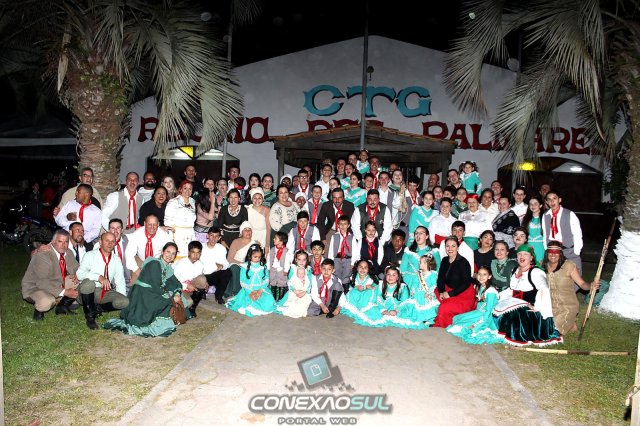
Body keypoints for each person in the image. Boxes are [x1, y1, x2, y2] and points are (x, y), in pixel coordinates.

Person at [104, 242, 185, 337]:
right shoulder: (155, 263)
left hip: (152, 292)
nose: (170, 255)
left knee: (176, 297)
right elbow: (155, 286)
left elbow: (176, 283)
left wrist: (177, 293)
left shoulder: (168, 268)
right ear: (162, 252)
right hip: (142, 294)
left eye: (173, 253)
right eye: (168, 252)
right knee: (166, 300)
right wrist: (171, 297)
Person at [493, 244, 562, 346]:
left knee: (515, 314)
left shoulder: (536, 272)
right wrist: (498, 296)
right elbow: (512, 289)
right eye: (519, 254)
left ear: (531, 257)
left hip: (531, 307)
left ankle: (518, 336)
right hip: (514, 302)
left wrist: (538, 306)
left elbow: (544, 290)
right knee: (495, 308)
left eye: (525, 254)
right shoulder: (515, 270)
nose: (522, 256)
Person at [21, 230, 80, 320]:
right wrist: (65, 292)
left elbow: (77, 268)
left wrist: (78, 275)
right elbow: (41, 282)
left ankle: (62, 306)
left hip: (55, 283)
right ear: (52, 242)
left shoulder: (68, 252)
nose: (63, 245)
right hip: (35, 287)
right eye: (60, 241)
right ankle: (39, 311)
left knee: (77, 279)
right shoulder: (43, 255)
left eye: (66, 242)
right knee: (47, 302)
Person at [543, 240, 599, 334]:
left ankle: (568, 320)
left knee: (551, 332)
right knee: (538, 327)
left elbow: (582, 284)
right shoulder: (542, 266)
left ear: (560, 253)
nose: (553, 255)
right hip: (549, 307)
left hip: (567, 307)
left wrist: (591, 286)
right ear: (547, 253)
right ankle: (570, 324)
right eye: (550, 252)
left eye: (556, 252)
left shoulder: (569, 265)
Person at [76, 232, 130, 329]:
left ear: (115, 244)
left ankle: (97, 308)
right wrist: (98, 277)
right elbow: (79, 274)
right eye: (107, 241)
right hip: (86, 291)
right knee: (89, 283)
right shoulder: (90, 255)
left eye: (112, 241)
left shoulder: (116, 259)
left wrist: (122, 297)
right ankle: (90, 317)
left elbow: (120, 280)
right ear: (100, 242)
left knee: (124, 302)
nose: (110, 244)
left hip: (103, 291)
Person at [447, 266, 504, 344]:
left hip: (486, 316)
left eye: (484, 274)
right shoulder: (480, 287)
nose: (481, 277)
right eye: (479, 274)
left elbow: (488, 311)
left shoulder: (491, 291)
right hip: (479, 312)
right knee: (457, 318)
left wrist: (477, 325)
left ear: (489, 276)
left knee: (466, 326)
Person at [432, 237, 476, 328]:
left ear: (458, 248)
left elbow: (466, 283)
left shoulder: (463, 262)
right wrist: (441, 291)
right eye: (447, 246)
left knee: (444, 307)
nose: (450, 249)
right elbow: (440, 278)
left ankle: (446, 321)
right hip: (447, 289)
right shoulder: (444, 260)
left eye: (453, 246)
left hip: (463, 293)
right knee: (432, 297)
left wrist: (450, 294)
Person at [226, 244, 276, 317]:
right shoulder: (244, 266)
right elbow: (242, 281)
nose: (257, 259)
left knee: (268, 302)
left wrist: (260, 291)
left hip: (261, 289)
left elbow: (266, 279)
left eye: (259, 257)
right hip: (248, 290)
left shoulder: (263, 266)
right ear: (250, 256)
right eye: (255, 257)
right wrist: (250, 292)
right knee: (249, 301)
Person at [542, 190, 583, 273]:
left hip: (569, 250)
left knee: (575, 275)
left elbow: (577, 233)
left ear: (559, 200)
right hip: (553, 251)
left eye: (554, 198)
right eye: (549, 199)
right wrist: (546, 249)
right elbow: (545, 234)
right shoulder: (545, 215)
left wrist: (577, 251)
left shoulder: (569, 214)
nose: (552, 201)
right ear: (546, 202)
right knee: (555, 275)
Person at [125, 214, 172, 284]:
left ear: (158, 224)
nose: (152, 227)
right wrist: (137, 271)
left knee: (158, 284)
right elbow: (129, 254)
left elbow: (172, 249)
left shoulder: (164, 235)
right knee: (135, 284)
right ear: (145, 224)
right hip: (141, 260)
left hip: (158, 262)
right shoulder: (137, 234)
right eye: (149, 224)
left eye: (154, 224)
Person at [398, 253, 439, 327]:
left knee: (427, 306)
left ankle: (427, 319)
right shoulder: (418, 274)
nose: (419, 264)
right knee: (412, 305)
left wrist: (429, 293)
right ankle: (418, 317)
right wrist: (413, 290)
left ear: (427, 264)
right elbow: (415, 284)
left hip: (426, 295)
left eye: (421, 262)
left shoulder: (432, 274)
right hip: (417, 295)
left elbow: (434, 285)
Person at [339, 259, 382, 326]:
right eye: (361, 267)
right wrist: (358, 287)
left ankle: (364, 308)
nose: (362, 269)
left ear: (368, 269)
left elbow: (371, 287)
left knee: (370, 292)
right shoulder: (354, 276)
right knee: (351, 293)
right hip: (357, 291)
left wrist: (365, 287)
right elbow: (355, 286)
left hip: (367, 292)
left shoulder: (370, 278)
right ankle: (356, 307)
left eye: (365, 267)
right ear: (357, 268)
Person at [173, 240, 209, 317]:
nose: (195, 255)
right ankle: (184, 305)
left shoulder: (200, 264)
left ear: (201, 253)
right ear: (188, 252)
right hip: (180, 289)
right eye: (193, 252)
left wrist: (205, 283)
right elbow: (174, 281)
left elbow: (200, 277)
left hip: (192, 288)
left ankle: (193, 308)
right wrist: (186, 286)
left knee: (203, 279)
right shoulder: (180, 263)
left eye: (198, 253)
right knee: (188, 302)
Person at [401, 226, 440, 293]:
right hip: (410, 282)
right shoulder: (408, 251)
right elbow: (402, 269)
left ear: (427, 236)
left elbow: (438, 269)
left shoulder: (434, 251)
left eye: (421, 233)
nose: (418, 235)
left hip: (428, 283)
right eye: (416, 233)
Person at [276, 250, 313, 318]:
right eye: (299, 259)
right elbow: (290, 282)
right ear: (296, 260)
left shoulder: (308, 270)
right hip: (294, 291)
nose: (301, 262)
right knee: (291, 303)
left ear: (306, 260)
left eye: (304, 260)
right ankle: (287, 308)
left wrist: (304, 292)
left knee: (302, 306)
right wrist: (294, 291)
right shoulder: (293, 269)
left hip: (304, 292)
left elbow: (309, 284)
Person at [164, 180, 196, 258]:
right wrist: (171, 236)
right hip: (177, 234)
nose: (187, 191)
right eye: (185, 188)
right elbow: (167, 221)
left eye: (190, 189)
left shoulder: (193, 201)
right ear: (180, 189)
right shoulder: (173, 202)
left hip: (190, 234)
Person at [201, 227, 232, 304]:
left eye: (216, 236)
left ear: (219, 238)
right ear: (207, 235)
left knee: (227, 272)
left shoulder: (221, 248)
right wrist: (202, 278)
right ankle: (201, 291)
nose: (213, 238)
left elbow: (226, 263)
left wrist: (222, 266)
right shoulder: (201, 247)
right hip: (202, 275)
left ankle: (218, 296)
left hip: (214, 275)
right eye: (211, 235)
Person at [327, 215, 356, 291]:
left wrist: (353, 263)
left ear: (348, 225)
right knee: (337, 275)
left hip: (348, 260)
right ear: (338, 225)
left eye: (345, 224)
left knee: (346, 275)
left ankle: (346, 291)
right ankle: (338, 291)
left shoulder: (352, 237)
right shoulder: (334, 236)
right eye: (341, 224)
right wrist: (331, 262)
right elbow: (331, 250)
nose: (343, 226)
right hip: (337, 259)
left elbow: (355, 251)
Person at [268, 231, 293, 302]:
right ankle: (273, 299)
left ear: (281, 241)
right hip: (273, 270)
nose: (273, 239)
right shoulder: (272, 249)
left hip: (281, 270)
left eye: (275, 238)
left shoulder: (286, 251)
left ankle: (281, 299)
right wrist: (269, 268)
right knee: (273, 283)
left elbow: (288, 261)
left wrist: (286, 270)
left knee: (282, 283)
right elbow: (268, 259)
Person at [522, 195, 546, 265]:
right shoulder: (525, 219)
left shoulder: (545, 218)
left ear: (540, 205)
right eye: (531, 204)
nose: (533, 206)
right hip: (528, 248)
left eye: (535, 203)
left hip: (541, 248)